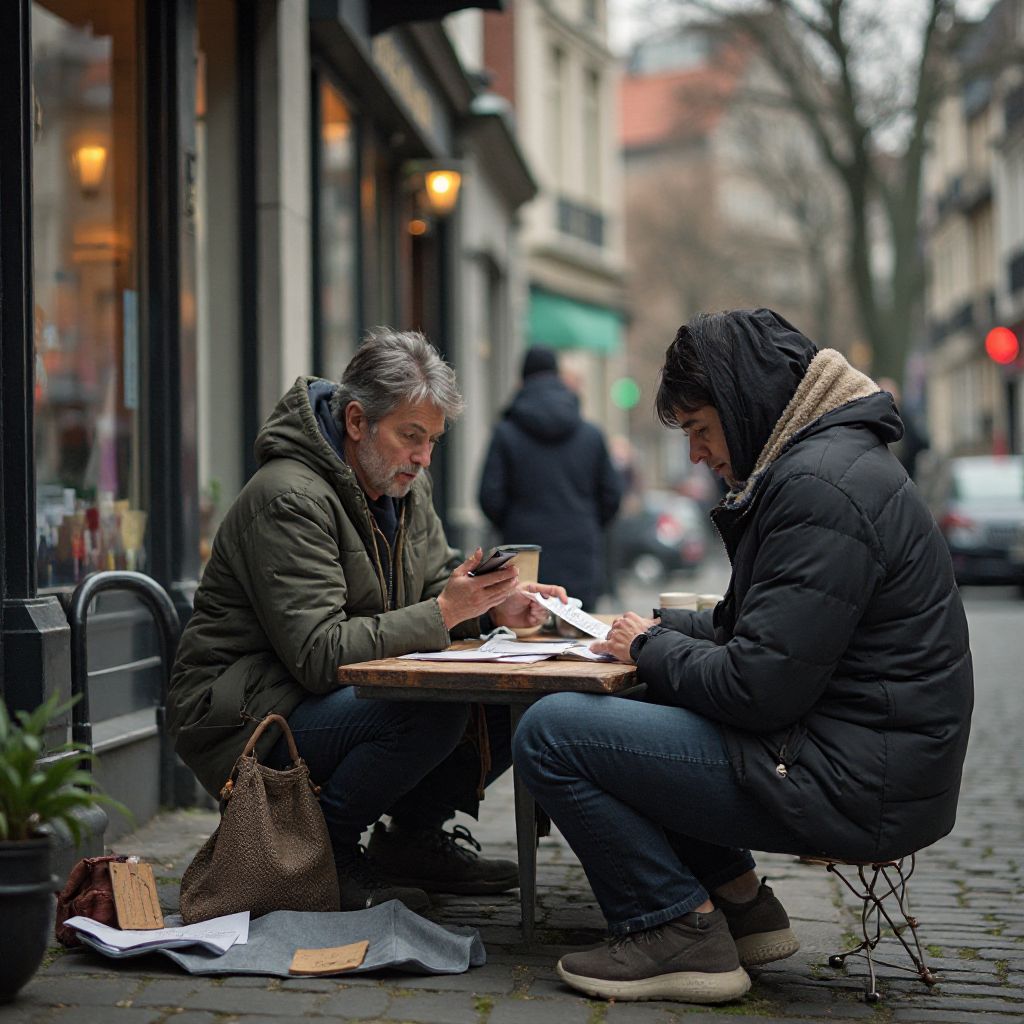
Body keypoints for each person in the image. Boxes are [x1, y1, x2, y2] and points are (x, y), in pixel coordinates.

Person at [512, 309, 974, 1004]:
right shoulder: (824, 465)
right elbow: (749, 632)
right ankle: (739, 900)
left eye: (700, 429)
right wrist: (651, 629)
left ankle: (674, 928)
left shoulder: (818, 487)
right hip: (863, 760)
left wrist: (650, 647)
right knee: (640, 697)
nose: (697, 453)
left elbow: (758, 686)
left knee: (551, 733)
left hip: (854, 778)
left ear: (745, 406)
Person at [168, 328, 566, 913]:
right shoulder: (288, 497)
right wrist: (446, 612)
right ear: (356, 422)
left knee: (515, 701)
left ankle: (411, 838)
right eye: (411, 436)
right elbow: (320, 655)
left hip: (315, 693)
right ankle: (320, 850)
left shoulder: (404, 485)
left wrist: (487, 609)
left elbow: (433, 588)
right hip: (245, 711)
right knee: (428, 712)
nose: (424, 458)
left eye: (432, 440)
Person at [478, 346, 624, 610]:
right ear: (558, 377)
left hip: (524, 559)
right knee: (580, 638)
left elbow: (489, 496)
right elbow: (612, 496)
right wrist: (585, 522)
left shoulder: (506, 433)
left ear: (521, 380)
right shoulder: (591, 435)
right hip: (580, 554)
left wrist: (514, 523)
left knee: (521, 633)